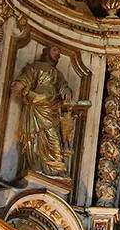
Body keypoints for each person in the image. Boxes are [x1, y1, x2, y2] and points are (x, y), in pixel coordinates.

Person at [10, 47, 81, 178]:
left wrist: (66, 91)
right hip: (37, 109)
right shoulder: (36, 66)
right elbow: (19, 86)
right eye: (55, 51)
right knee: (36, 138)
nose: (58, 55)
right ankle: (37, 166)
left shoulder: (58, 74)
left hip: (52, 109)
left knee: (54, 139)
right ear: (46, 52)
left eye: (59, 53)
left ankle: (54, 169)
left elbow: (63, 86)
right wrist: (31, 96)